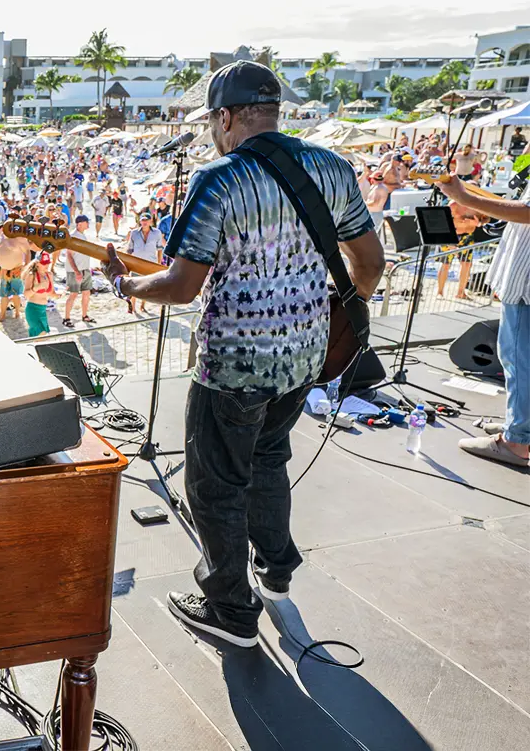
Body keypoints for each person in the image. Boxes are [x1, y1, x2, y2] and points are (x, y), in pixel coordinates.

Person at [102, 61, 385, 647]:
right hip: (306, 357)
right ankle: (276, 570)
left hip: (234, 364)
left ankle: (230, 610)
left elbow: (182, 287)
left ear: (226, 117)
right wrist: (331, 303)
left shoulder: (220, 179)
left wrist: (126, 285)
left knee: (215, 485)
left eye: (213, 120)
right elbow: (371, 264)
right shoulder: (333, 168)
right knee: (269, 460)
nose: (212, 131)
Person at [438, 175, 529, 468]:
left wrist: (468, 200)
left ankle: (515, 442)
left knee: (519, 361)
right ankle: (520, 429)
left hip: (526, 286)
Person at [125, 213, 166, 315]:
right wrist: (127, 263)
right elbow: (129, 249)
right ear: (140, 221)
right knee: (134, 286)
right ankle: (133, 307)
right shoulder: (134, 233)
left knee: (147, 286)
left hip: (150, 263)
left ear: (150, 221)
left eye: (146, 220)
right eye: (142, 220)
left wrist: (159, 264)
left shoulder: (157, 233)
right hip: (136, 264)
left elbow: (160, 249)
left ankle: (142, 305)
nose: (144, 222)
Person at [62, 215, 95, 329]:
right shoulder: (73, 236)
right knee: (73, 294)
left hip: (85, 269)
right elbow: (69, 256)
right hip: (74, 271)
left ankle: (84, 315)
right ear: (80, 223)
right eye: (86, 222)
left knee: (86, 293)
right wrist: (76, 272)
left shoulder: (82, 235)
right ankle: (66, 318)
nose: (88, 224)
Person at [22, 251, 56, 338]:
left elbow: (51, 293)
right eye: (44, 263)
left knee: (41, 337)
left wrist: (59, 295)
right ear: (37, 263)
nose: (47, 266)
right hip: (33, 309)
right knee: (40, 336)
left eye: (48, 263)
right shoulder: (31, 276)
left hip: (43, 309)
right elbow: (26, 295)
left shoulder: (49, 275)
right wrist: (36, 288)